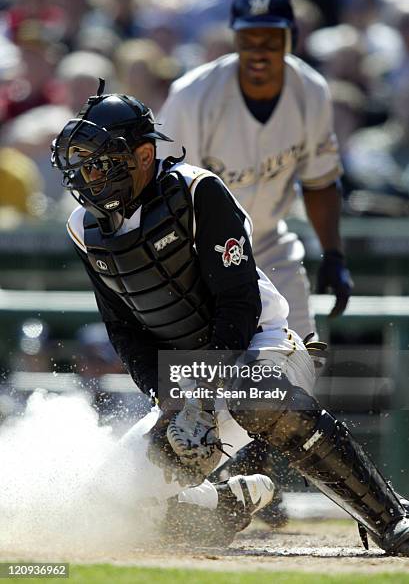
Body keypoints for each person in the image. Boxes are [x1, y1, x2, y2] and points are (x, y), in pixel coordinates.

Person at [52, 83, 409, 554]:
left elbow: (239, 305)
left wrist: (200, 396)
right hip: (185, 378)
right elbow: (124, 329)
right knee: (108, 513)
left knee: (254, 396)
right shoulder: (83, 227)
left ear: (142, 156)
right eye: (82, 162)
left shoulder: (197, 191)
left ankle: (390, 517)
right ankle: (224, 505)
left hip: (263, 348)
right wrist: (170, 398)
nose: (89, 175)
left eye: (100, 161)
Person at [158, 0, 353, 339]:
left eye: (271, 38)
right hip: (201, 251)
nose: (259, 50)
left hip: (269, 243)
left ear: (291, 38)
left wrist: (333, 254)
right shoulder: (193, 95)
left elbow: (320, 180)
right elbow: (164, 187)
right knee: (207, 381)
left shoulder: (310, 89)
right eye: (250, 38)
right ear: (235, 39)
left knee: (298, 369)